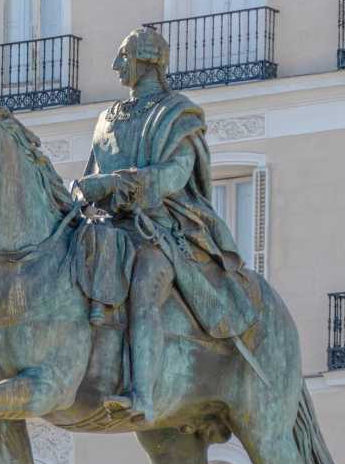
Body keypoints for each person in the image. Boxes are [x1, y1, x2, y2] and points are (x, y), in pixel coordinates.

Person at [74, 27, 257, 423]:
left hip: (161, 229)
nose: (115, 65)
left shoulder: (178, 114)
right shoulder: (107, 118)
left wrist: (122, 184)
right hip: (106, 229)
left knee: (144, 287)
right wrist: (81, 192)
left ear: (146, 59)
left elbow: (175, 174)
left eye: (123, 56)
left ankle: (143, 395)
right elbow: (92, 174)